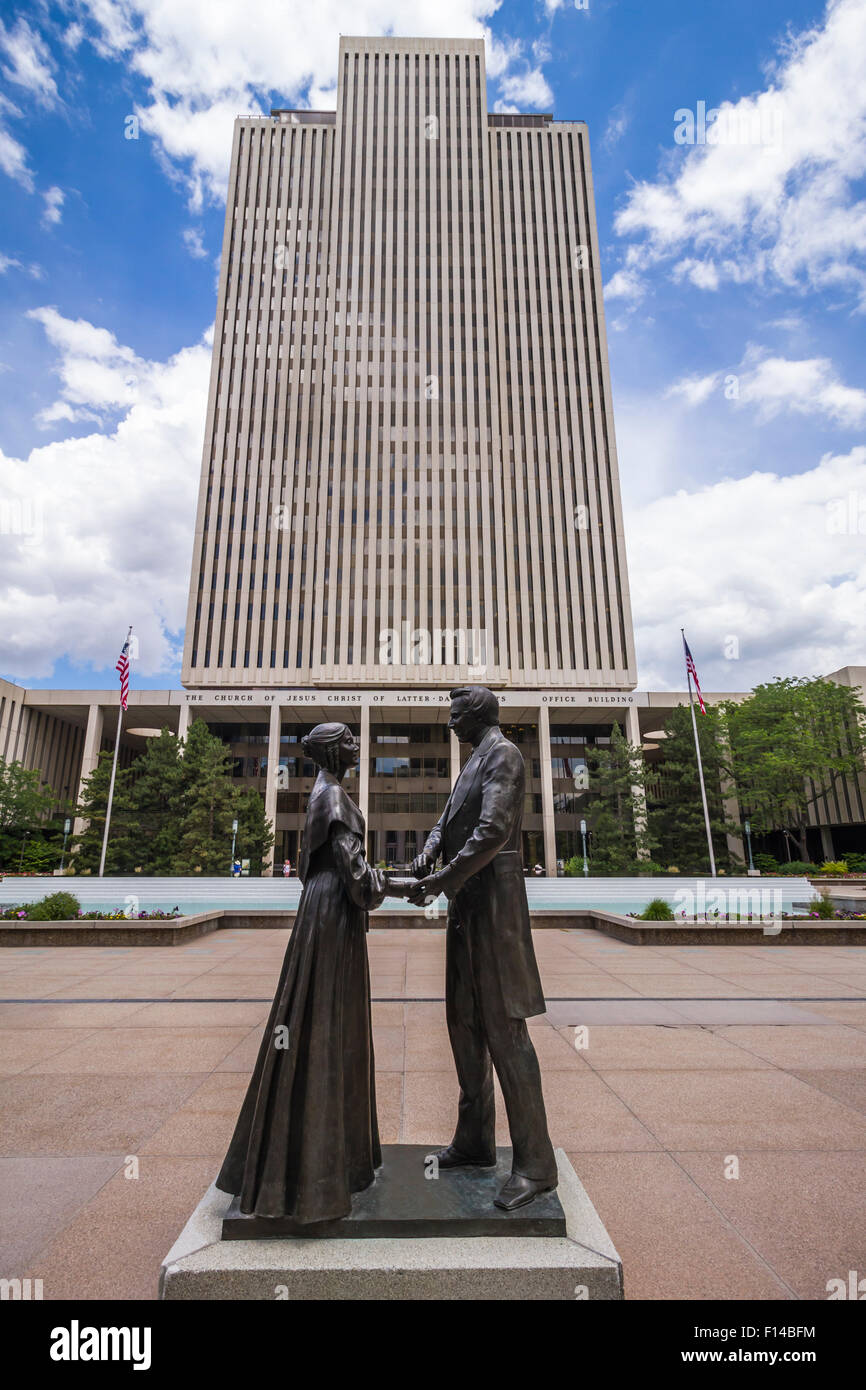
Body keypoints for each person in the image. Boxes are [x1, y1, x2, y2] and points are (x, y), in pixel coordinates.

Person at [216, 722, 386, 1224]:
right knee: (326, 1025)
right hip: (333, 914)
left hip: (324, 911)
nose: (357, 747)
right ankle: (314, 1178)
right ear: (335, 750)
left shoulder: (324, 793)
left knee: (315, 1023)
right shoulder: (333, 798)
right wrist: (403, 881)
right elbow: (357, 878)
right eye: (350, 742)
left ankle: (326, 1164)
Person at [409, 686, 558, 1211]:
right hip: (465, 914)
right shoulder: (474, 759)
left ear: (475, 716)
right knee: (465, 1027)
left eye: (454, 716)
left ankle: (536, 1166)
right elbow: (448, 824)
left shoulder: (504, 755)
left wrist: (442, 879)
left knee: (505, 1034)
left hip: (494, 912)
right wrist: (428, 856)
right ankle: (474, 1141)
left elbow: (493, 830)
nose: (449, 724)